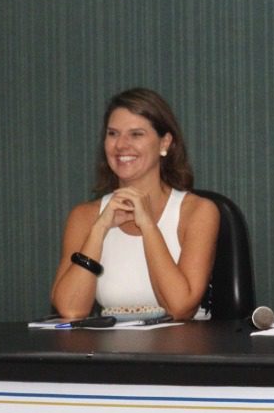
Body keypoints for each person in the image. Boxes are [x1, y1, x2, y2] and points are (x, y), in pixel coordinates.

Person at [50, 88, 219, 321]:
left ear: (165, 142)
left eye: (136, 134)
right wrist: (98, 230)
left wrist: (148, 226)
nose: (121, 145)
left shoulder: (198, 212)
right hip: (113, 344)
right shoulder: (84, 216)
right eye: (113, 134)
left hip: (182, 343)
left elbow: (179, 309)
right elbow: (71, 309)